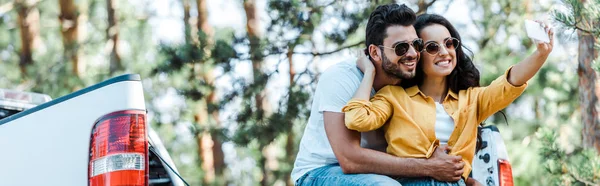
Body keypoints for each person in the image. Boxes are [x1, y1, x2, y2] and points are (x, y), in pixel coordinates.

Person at [343, 13, 554, 186]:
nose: (444, 52)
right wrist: (369, 72)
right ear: (417, 54)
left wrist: (541, 54)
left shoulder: (472, 100)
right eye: (432, 47)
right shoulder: (393, 97)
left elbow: (510, 82)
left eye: (449, 43)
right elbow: (356, 119)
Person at [292, 4, 466, 186]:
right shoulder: (342, 78)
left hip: (382, 171)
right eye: (401, 48)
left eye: (416, 44)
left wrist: (462, 176)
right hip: (321, 172)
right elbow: (349, 159)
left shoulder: (406, 80)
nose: (413, 53)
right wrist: (429, 167)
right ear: (375, 52)